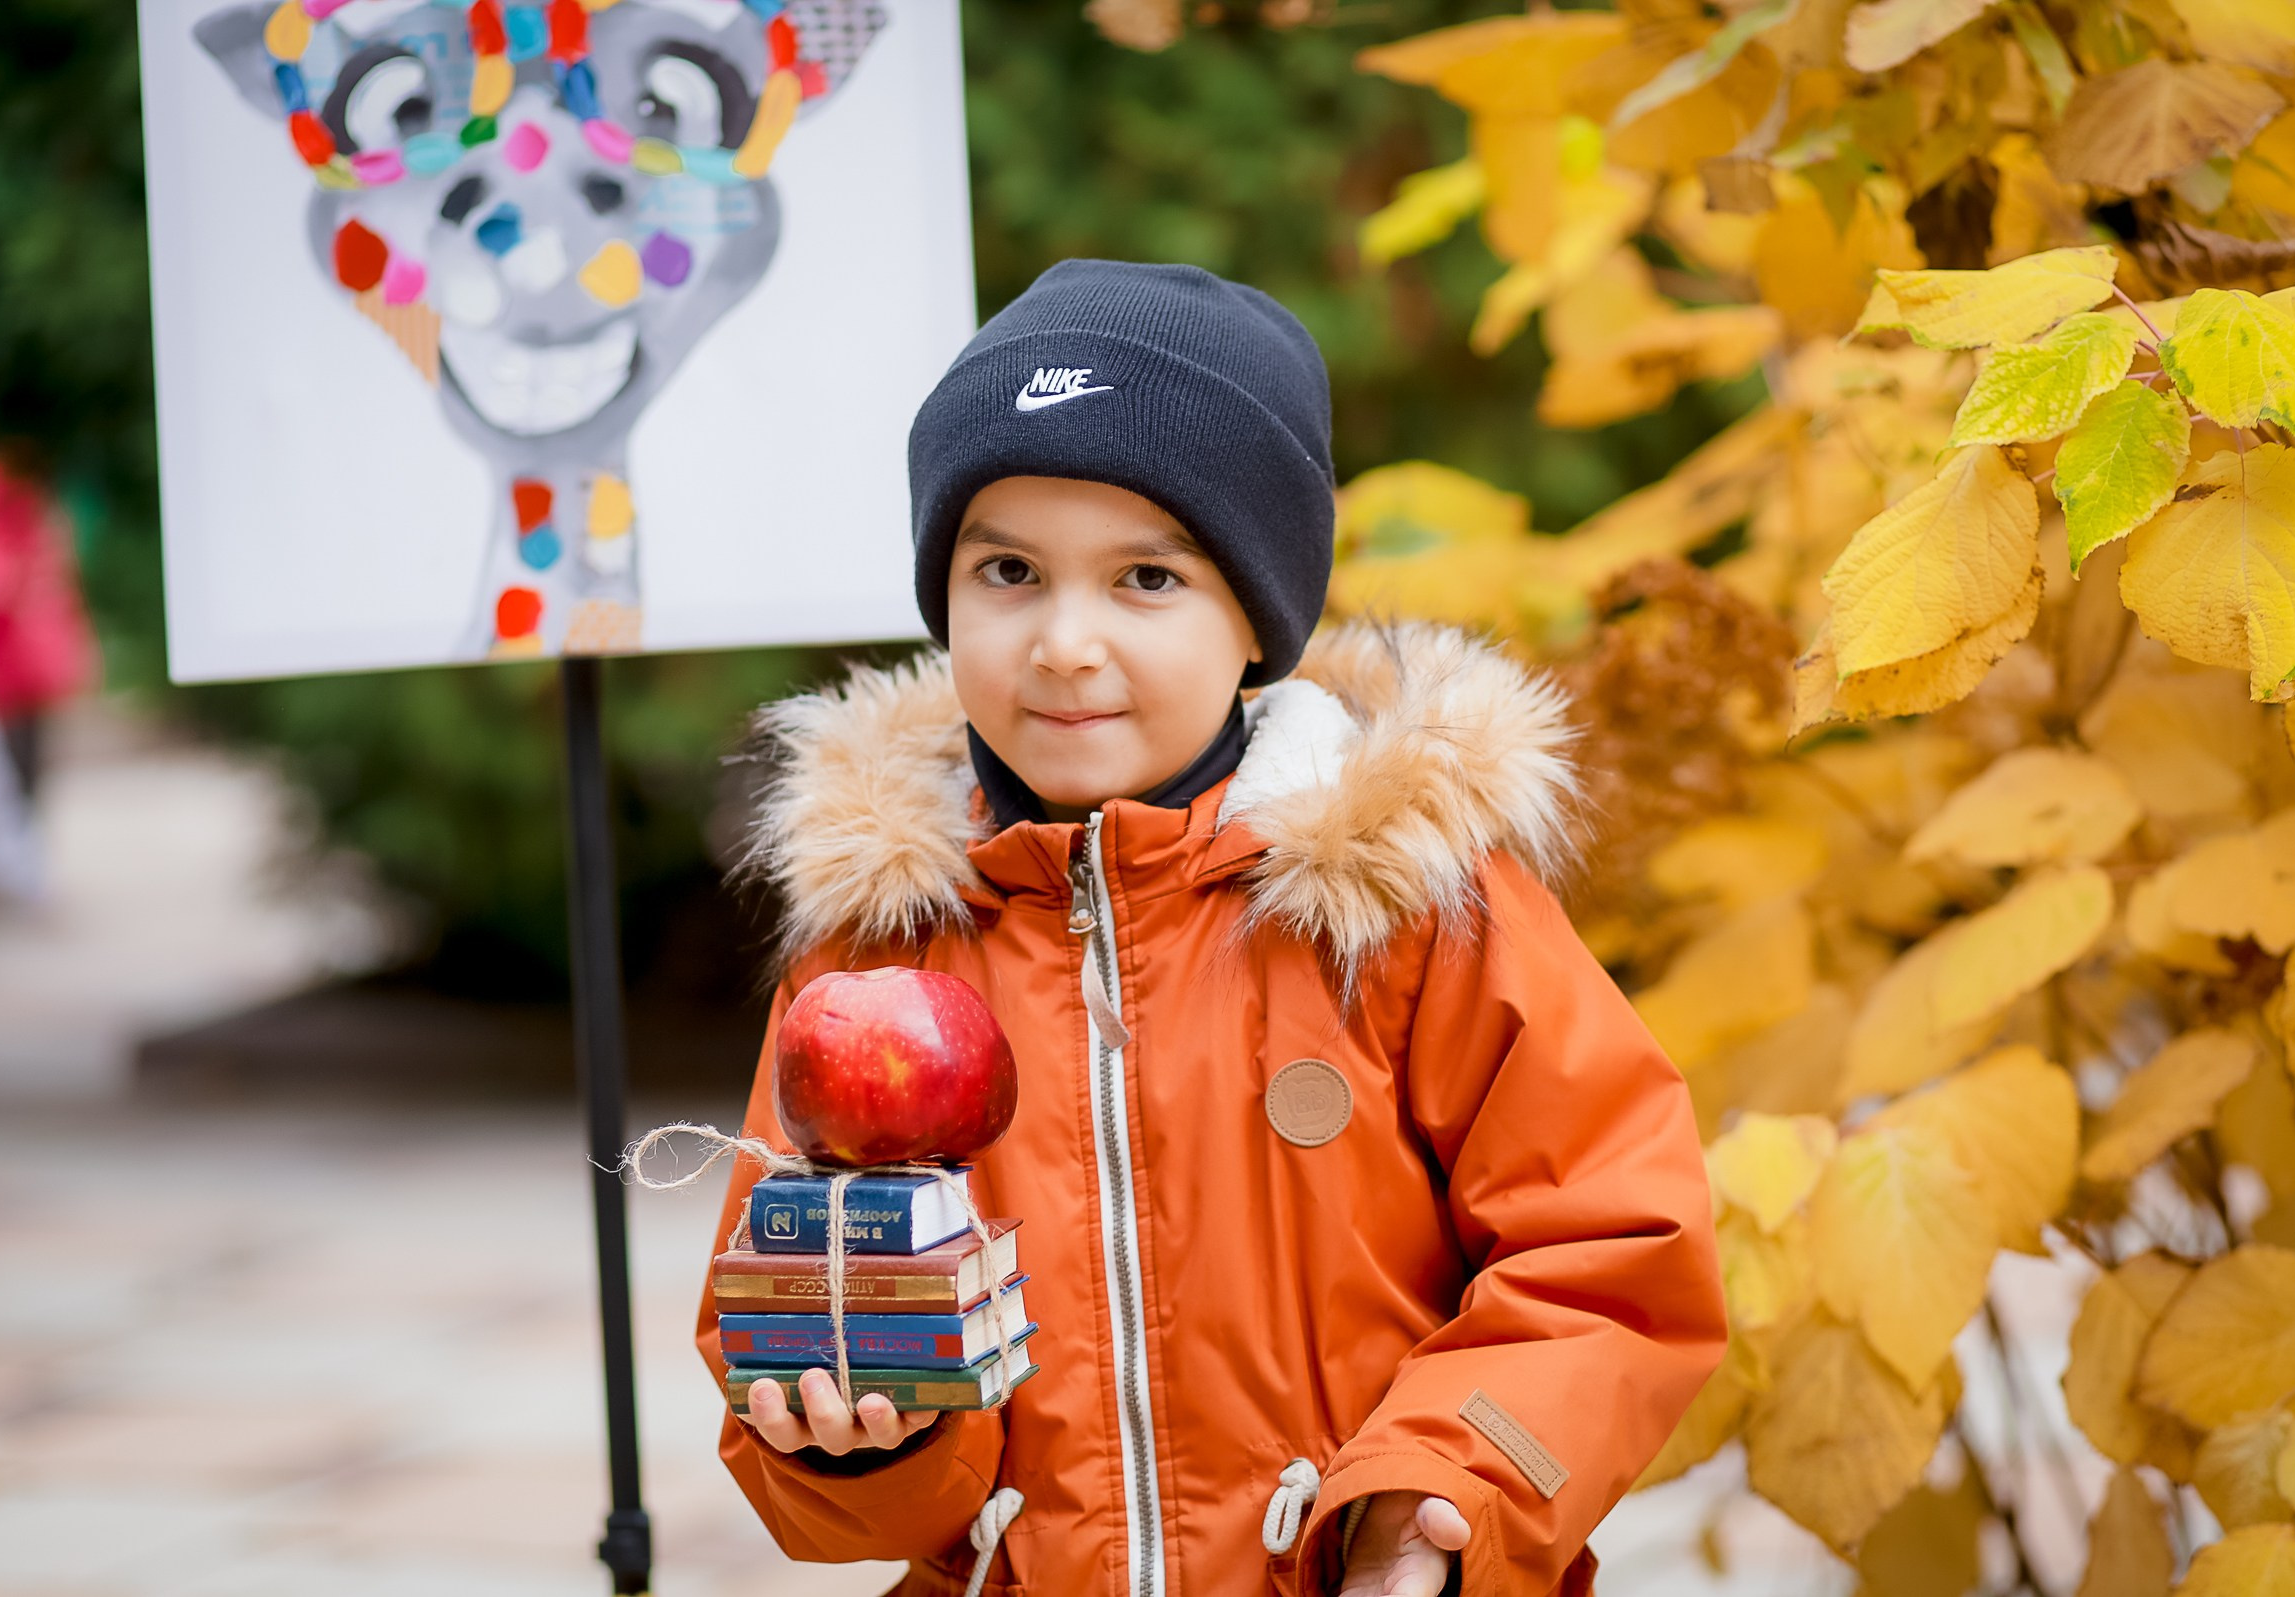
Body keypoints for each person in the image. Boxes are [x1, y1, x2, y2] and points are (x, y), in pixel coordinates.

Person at [697, 260, 1725, 1597]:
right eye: (1007, 568)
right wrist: (858, 1441)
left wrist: (1432, 1504)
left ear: (1255, 616)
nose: (1065, 641)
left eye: (1144, 578)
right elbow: (788, 1346)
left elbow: (1609, 1247)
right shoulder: (878, 960)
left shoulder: (1406, 908)